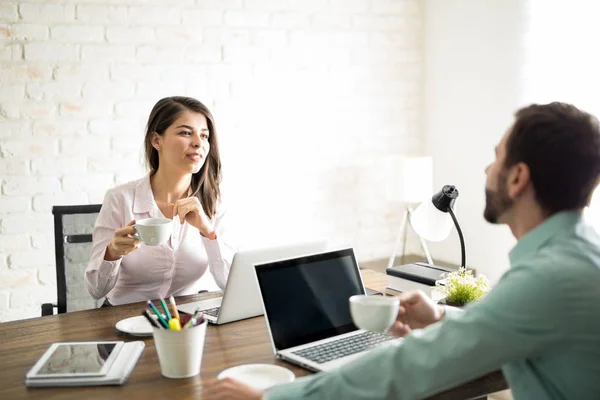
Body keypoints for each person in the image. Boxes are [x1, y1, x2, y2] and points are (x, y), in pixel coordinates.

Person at [205, 102, 600, 400]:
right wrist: (441, 315)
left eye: (496, 157)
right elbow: (503, 319)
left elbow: (412, 364)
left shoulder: (550, 278)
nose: (485, 171)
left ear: (517, 177)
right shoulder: (575, 257)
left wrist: (273, 396)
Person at [85, 96, 234, 305]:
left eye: (204, 135)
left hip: (184, 322)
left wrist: (208, 232)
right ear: (156, 140)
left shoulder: (213, 204)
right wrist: (113, 253)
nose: (199, 143)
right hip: (123, 320)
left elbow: (230, 284)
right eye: (185, 132)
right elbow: (96, 290)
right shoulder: (120, 199)